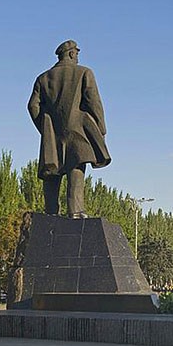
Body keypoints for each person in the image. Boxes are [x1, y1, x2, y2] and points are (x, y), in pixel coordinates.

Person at [28, 40, 111, 218]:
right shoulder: (84, 73)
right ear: (72, 54)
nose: (78, 57)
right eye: (77, 54)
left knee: (51, 172)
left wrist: (44, 128)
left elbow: (32, 106)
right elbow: (94, 103)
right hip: (77, 132)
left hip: (52, 134)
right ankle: (76, 211)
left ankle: (50, 214)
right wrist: (100, 129)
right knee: (75, 170)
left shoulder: (43, 78)